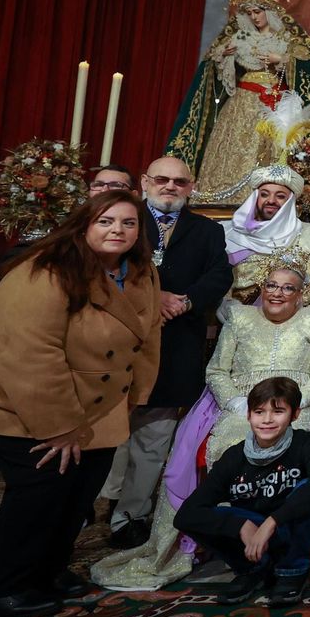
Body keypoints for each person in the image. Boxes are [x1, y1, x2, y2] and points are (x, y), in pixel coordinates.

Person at [0, 191, 161, 617]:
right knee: (40, 493)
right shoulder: (43, 270)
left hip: (93, 400)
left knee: (80, 491)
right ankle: (3, 591)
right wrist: (57, 427)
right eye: (106, 221)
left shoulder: (139, 271)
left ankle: (46, 572)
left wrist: (135, 399)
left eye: (128, 223)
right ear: (83, 225)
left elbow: (148, 337)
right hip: (16, 398)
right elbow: (29, 355)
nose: (118, 230)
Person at [91, 261, 310, 589]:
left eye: (287, 288)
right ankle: (237, 537)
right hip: (244, 404)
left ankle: (283, 545)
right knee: (231, 446)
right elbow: (217, 371)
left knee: (295, 453)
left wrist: (294, 404)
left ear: (300, 295)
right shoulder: (240, 317)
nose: (277, 293)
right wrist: (237, 404)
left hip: (297, 406)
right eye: (271, 285)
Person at [106, 157, 232, 551]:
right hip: (118, 346)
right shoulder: (123, 222)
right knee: (110, 434)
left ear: (191, 187)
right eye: (162, 179)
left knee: (154, 438)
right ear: (145, 182)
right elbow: (102, 269)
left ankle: (130, 516)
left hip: (176, 347)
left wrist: (187, 301)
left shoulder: (207, 230)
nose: (171, 187)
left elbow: (219, 275)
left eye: (180, 181)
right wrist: (151, 299)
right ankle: (91, 502)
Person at [166, 0, 310, 199]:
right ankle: (219, 197)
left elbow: (307, 64)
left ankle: (265, 198)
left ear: (269, 12)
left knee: (268, 147)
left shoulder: (287, 40)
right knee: (231, 146)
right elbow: (214, 70)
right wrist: (224, 56)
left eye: (258, 11)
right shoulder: (239, 38)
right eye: (249, 13)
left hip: (273, 103)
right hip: (242, 99)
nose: (254, 17)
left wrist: (280, 59)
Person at [173, 376, 310, 606]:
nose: (267, 420)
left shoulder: (305, 443)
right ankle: (252, 570)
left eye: (278, 411)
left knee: (309, 489)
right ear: (249, 415)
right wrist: (240, 525)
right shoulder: (234, 457)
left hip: (290, 530)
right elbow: (187, 514)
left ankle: (292, 572)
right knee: (200, 516)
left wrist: (273, 521)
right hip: (254, 535)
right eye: (259, 412)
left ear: (295, 414)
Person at [221, 164, 310, 301]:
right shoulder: (227, 232)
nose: (271, 200)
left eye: (280, 196)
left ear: (290, 201)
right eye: (264, 194)